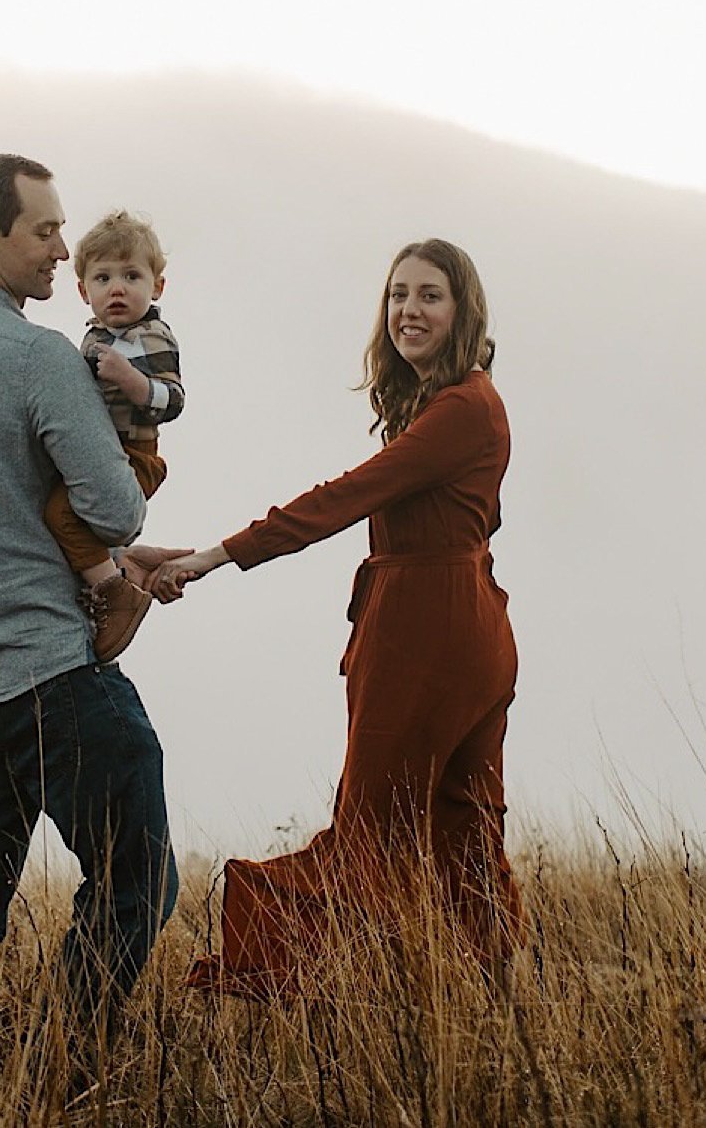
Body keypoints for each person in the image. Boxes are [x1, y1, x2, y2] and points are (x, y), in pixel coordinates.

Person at [149, 237, 521, 994]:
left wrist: (217, 555)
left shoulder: (461, 409)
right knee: (463, 831)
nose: (409, 310)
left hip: (427, 630)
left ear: (463, 309)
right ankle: (482, 1000)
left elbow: (343, 499)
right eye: (398, 295)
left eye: (430, 296)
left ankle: (329, 991)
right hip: (463, 623)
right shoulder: (456, 405)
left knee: (370, 833)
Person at [0, 153, 187, 1089]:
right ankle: (70, 1063)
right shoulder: (37, 354)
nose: (65, 248)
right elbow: (115, 504)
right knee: (140, 879)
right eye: (45, 231)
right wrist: (122, 552)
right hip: (54, 681)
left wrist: (111, 566)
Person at [43, 210, 184, 663]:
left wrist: (132, 380)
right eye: (103, 278)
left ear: (156, 286)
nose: (117, 288)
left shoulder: (152, 337)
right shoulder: (94, 337)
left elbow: (174, 400)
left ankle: (114, 592)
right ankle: (110, 573)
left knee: (63, 514)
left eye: (131, 275)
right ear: (84, 291)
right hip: (99, 451)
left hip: (134, 454)